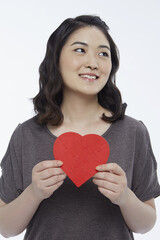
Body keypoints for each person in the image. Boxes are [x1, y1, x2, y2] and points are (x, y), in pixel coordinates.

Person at [0, 15, 160, 240]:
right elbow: (6, 229)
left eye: (103, 53)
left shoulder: (133, 133)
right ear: (55, 59)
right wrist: (34, 193)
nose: (93, 63)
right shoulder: (26, 135)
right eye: (80, 50)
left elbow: (146, 225)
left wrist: (125, 197)